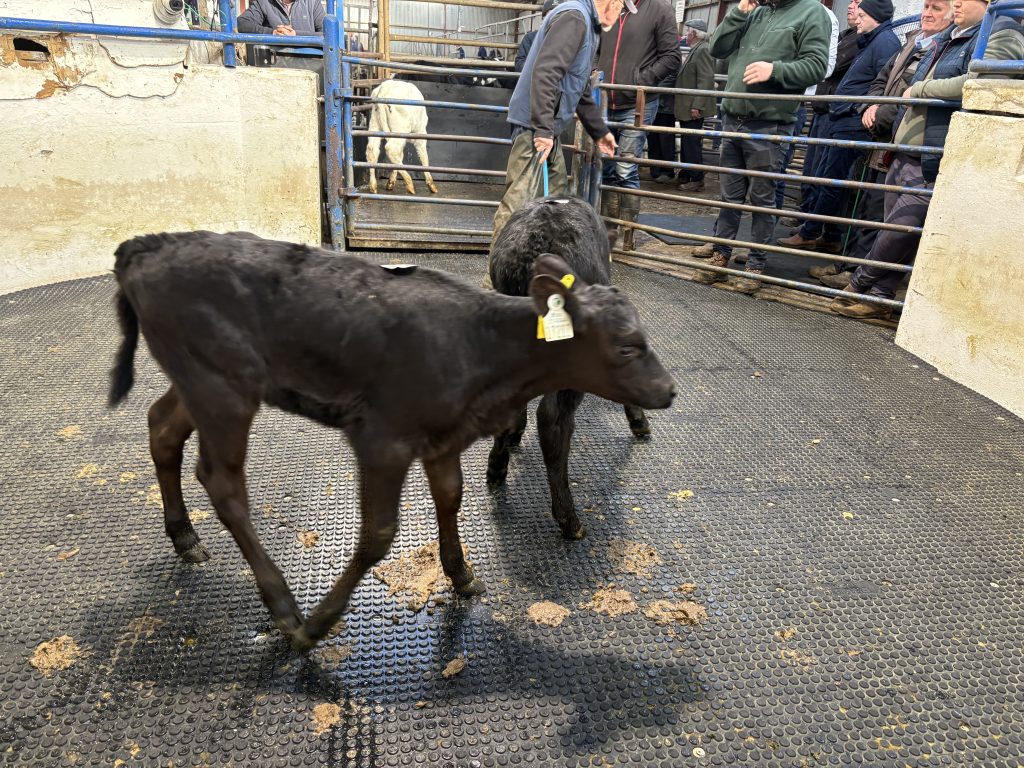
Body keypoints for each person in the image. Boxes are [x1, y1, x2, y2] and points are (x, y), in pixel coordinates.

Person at [831, 0, 1024, 319]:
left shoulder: (997, 31)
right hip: (907, 144)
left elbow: (982, 83)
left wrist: (921, 89)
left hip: (932, 149)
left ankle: (860, 281)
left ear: (988, 3)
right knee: (893, 227)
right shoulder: (948, 36)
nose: (957, 3)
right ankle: (880, 297)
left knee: (901, 228)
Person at [691, 0, 831, 294]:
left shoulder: (811, 12)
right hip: (733, 118)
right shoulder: (755, 10)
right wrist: (738, 12)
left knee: (762, 200)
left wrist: (775, 70)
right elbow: (717, 48)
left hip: (769, 123)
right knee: (729, 196)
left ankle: (755, 264)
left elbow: (817, 66)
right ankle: (721, 256)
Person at [812, 0, 953, 288]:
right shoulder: (913, 41)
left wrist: (882, 111)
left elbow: (908, 93)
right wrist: (871, 105)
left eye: (936, 8)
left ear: (952, 14)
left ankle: (861, 275)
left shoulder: (936, 47)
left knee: (881, 213)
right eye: (925, 6)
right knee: (865, 204)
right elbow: (882, 80)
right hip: (882, 135)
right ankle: (850, 265)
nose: (926, 13)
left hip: (900, 137)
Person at [491, 0, 625, 246]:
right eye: (621, 8)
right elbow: (545, 72)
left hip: (546, 128)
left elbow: (579, 88)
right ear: (612, 2)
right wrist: (542, 129)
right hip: (535, 128)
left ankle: (547, 270)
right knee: (518, 206)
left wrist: (599, 131)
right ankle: (497, 281)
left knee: (558, 203)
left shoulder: (588, 25)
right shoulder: (575, 19)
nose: (620, 15)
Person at [778, 0, 901, 254]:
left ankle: (810, 232)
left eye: (863, 14)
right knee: (829, 179)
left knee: (831, 181)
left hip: (851, 123)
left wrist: (858, 108)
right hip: (843, 118)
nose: (858, 18)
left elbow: (882, 83)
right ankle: (830, 234)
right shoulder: (870, 40)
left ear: (875, 16)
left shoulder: (884, 42)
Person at [597, 0, 680, 247]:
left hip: (637, 104)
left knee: (626, 168)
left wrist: (642, 79)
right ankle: (609, 232)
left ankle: (629, 232)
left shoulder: (659, 9)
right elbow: (596, 47)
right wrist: (594, 71)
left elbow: (672, 57)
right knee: (607, 168)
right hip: (603, 99)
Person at [795, 0, 864, 225]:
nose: (852, 6)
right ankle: (806, 214)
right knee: (811, 167)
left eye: (858, 3)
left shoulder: (858, 41)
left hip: (833, 112)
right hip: (822, 108)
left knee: (820, 170)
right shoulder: (845, 35)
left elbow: (828, 64)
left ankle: (812, 221)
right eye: (851, 2)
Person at [774, 2, 839, 209]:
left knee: (775, 169)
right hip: (768, 100)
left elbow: (823, 67)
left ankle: (766, 227)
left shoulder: (823, 16)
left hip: (793, 100)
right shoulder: (773, 10)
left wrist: (778, 72)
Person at [672, 19, 715, 192]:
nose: (686, 36)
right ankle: (687, 173)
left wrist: (697, 105)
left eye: (688, 32)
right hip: (688, 107)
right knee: (688, 141)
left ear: (695, 34)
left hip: (693, 107)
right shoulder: (696, 50)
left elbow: (705, 80)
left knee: (691, 143)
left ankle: (697, 177)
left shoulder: (702, 51)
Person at [515, 0, 558, 73]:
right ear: (544, 18)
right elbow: (519, 64)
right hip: (534, 79)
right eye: (550, 15)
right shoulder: (530, 38)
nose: (554, 19)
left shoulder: (568, 40)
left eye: (558, 15)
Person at [236, 0, 324, 35]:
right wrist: (272, 32)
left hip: (310, 62)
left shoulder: (313, 2)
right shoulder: (264, 2)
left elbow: (327, 33)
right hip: (274, 63)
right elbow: (242, 23)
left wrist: (296, 34)